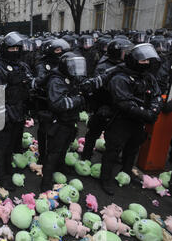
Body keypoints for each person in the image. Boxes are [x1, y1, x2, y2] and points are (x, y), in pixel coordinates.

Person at [100, 43, 162, 195]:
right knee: (112, 150)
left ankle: (126, 172)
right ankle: (105, 179)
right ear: (133, 60)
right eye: (143, 61)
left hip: (138, 122)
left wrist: (153, 109)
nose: (146, 63)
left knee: (133, 148)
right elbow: (124, 102)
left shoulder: (148, 77)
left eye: (148, 61)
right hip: (120, 120)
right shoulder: (120, 77)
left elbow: (156, 96)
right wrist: (146, 113)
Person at [0, 32, 31, 191]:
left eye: (17, 48)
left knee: (11, 146)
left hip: (17, 114)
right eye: (11, 48)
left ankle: (7, 167)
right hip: (4, 115)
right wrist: (2, 117)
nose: (14, 51)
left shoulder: (21, 65)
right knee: (2, 147)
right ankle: (2, 177)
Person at [40, 52, 89, 192]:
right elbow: (57, 104)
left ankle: (60, 166)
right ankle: (46, 181)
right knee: (53, 153)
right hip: (58, 122)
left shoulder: (71, 78)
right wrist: (78, 99)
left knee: (64, 147)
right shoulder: (56, 80)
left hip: (69, 120)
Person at [81, 38, 134, 161]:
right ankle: (86, 155)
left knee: (114, 136)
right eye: (124, 51)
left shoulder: (126, 66)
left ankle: (111, 158)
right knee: (94, 132)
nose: (127, 54)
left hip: (117, 106)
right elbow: (98, 87)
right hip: (103, 104)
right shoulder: (104, 67)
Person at [31, 39, 71, 165]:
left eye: (63, 50)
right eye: (58, 50)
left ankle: (57, 158)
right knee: (44, 130)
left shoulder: (64, 63)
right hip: (45, 102)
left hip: (60, 101)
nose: (61, 53)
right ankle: (43, 156)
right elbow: (40, 82)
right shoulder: (42, 65)